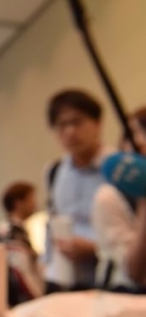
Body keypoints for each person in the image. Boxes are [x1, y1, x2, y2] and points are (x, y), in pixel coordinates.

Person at [43, 89, 113, 294]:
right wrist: (45, 265)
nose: (70, 132)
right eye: (61, 125)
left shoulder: (118, 171)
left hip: (107, 284)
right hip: (61, 280)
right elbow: (52, 220)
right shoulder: (55, 171)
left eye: (77, 122)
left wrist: (94, 249)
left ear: (98, 124)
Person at [92, 107, 146, 292]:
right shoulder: (109, 197)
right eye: (133, 134)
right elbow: (136, 273)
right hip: (126, 299)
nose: (140, 141)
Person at [0, 182, 44, 306]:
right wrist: (37, 298)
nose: (35, 204)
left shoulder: (12, 230)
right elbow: (21, 271)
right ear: (18, 203)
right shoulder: (13, 234)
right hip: (19, 302)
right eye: (31, 199)